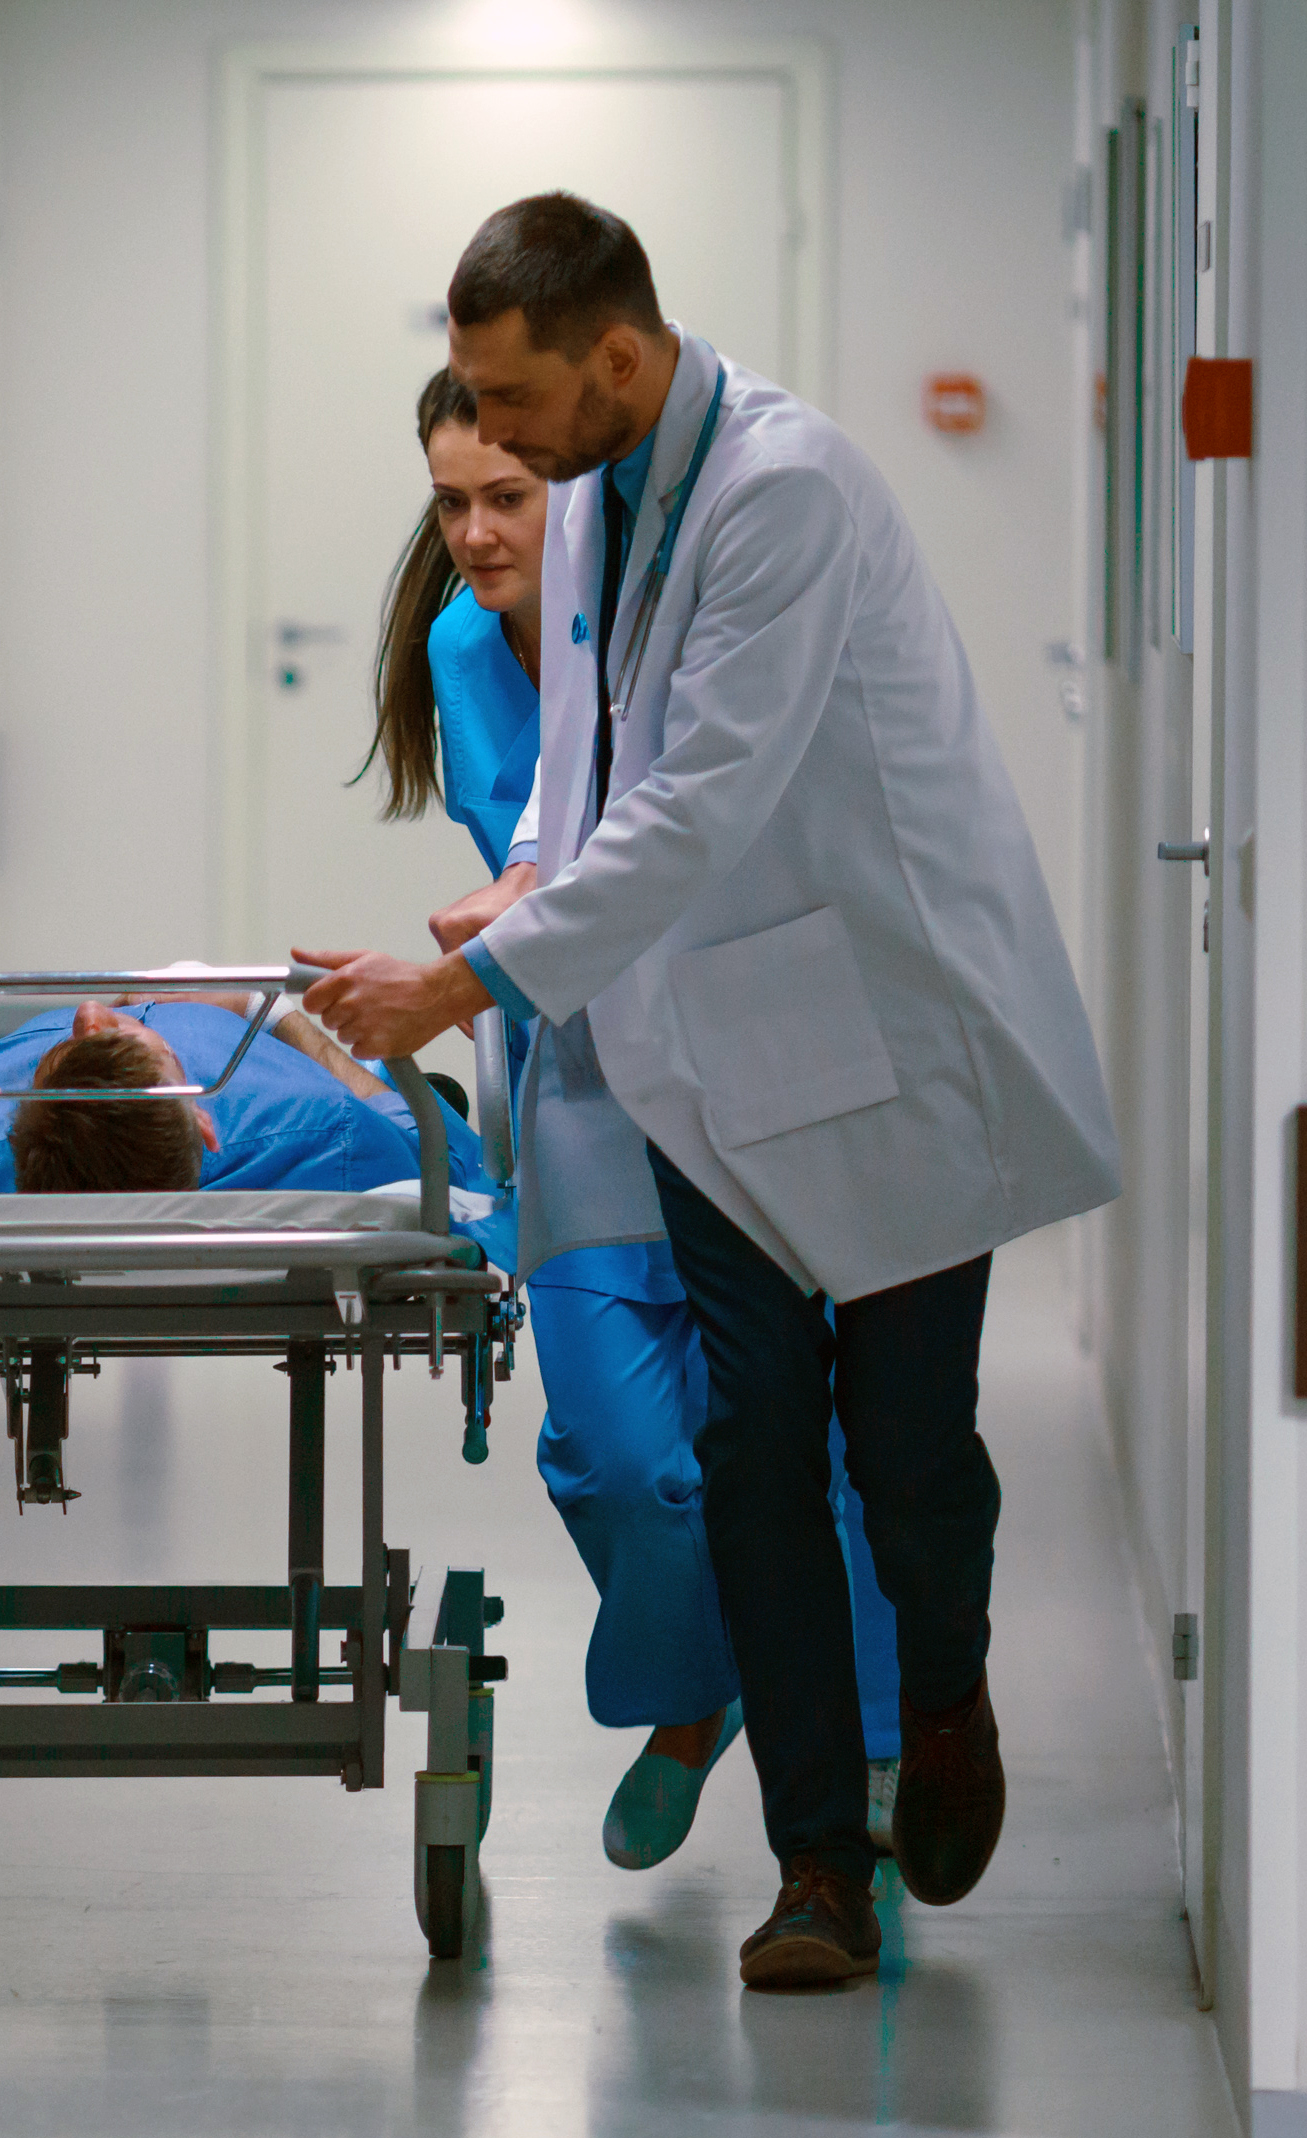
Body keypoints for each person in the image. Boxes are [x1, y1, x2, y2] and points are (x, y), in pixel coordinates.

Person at [302, 193, 1119, 1989]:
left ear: (616, 354)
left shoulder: (785, 493)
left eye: (512, 400)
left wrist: (463, 978)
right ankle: (820, 1860)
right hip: (703, 1056)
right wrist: (509, 884)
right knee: (753, 1447)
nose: (490, 445)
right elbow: (592, 768)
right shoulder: (597, 498)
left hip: (884, 1043)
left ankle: (951, 1686)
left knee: (902, 1452)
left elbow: (706, 798)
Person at [364, 367, 907, 1872]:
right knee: (616, 1458)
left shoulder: (693, 613)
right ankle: (699, 1693)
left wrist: (513, 913)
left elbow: (672, 827)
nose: (473, 532)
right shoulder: (463, 652)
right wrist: (507, 929)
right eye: (449, 502)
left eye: (505, 497)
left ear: (578, 487)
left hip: (755, 1074)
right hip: (589, 1084)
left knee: (809, 1447)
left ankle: (863, 1753)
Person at [0, 990, 481, 1201]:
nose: (93, 1010)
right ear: (205, 1126)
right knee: (429, 1092)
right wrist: (273, 1015)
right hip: (263, 1044)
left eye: (71, 1051)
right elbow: (450, 1158)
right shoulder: (314, 1126)